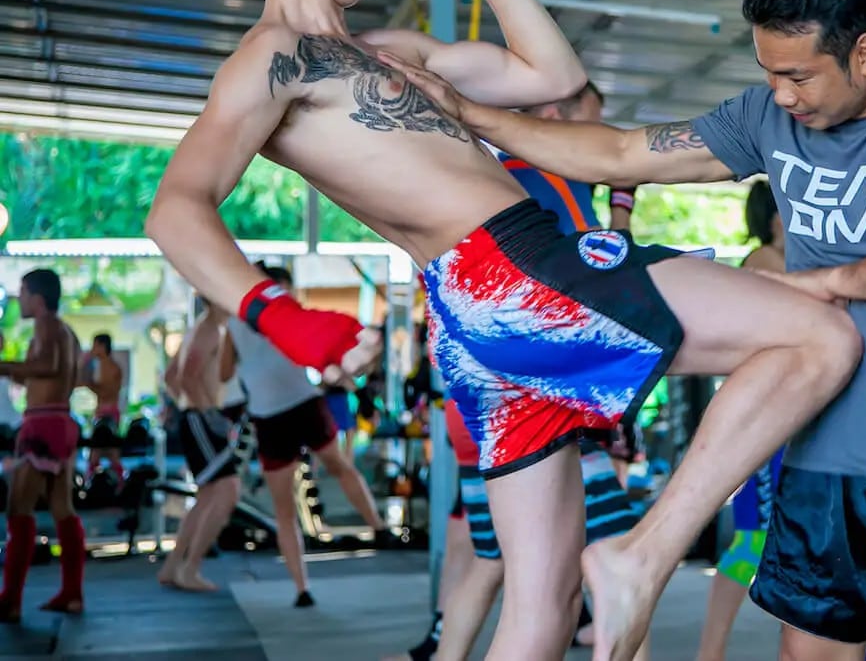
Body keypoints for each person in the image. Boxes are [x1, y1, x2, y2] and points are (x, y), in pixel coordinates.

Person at [144, 0, 859, 661]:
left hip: (482, 326)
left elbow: (552, 79)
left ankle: (622, 565)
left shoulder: (390, 53)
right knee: (821, 333)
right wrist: (275, 312)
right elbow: (177, 206)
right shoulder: (272, 59)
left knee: (543, 606)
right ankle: (642, 555)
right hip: (515, 273)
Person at [390, 0, 866, 661]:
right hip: (830, 453)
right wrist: (473, 115)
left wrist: (817, 284)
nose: (782, 95)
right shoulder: (768, 118)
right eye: (769, 73)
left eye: (799, 76)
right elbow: (621, 154)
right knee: (809, 654)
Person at [390, 83, 654, 661]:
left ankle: (446, 654)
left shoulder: (509, 177)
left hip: (488, 395)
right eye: (594, 124)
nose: (602, 140)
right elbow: (589, 276)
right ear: (557, 117)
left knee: (494, 563)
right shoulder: (541, 181)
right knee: (621, 560)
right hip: (534, 398)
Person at [229, 264, 394, 607]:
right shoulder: (241, 319)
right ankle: (302, 587)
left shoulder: (272, 318)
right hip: (273, 413)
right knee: (286, 504)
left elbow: (323, 359)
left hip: (299, 403)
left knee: (336, 468)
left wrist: (357, 390)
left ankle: (378, 528)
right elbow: (225, 370)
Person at [695, 179, 786, 661]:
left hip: (782, 422)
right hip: (768, 427)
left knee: (778, 543)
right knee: (753, 542)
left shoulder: (774, 262)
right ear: (777, 218)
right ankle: (710, 653)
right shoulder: (765, 264)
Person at [0, 269, 86, 620]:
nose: (18, 299)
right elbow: (69, 373)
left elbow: (46, 366)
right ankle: (72, 593)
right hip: (60, 420)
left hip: (42, 424)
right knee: (62, 509)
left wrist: (4, 365)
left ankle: (10, 600)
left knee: (18, 510)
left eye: (21, 292)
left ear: (37, 297)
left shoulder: (46, 325)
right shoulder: (66, 331)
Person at [159, 298, 241, 592]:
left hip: (195, 418)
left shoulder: (203, 329)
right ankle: (190, 567)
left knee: (208, 495)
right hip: (200, 419)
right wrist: (206, 412)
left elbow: (171, 377)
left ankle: (173, 567)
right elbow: (186, 377)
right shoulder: (208, 330)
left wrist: (190, 407)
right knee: (228, 490)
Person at [82, 333, 125, 483]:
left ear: (102, 346)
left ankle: (118, 482)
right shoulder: (99, 366)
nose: (92, 349)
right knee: (100, 454)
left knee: (104, 453)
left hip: (108, 415)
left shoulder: (111, 368)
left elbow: (107, 392)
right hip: (101, 414)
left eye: (95, 345)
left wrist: (90, 385)